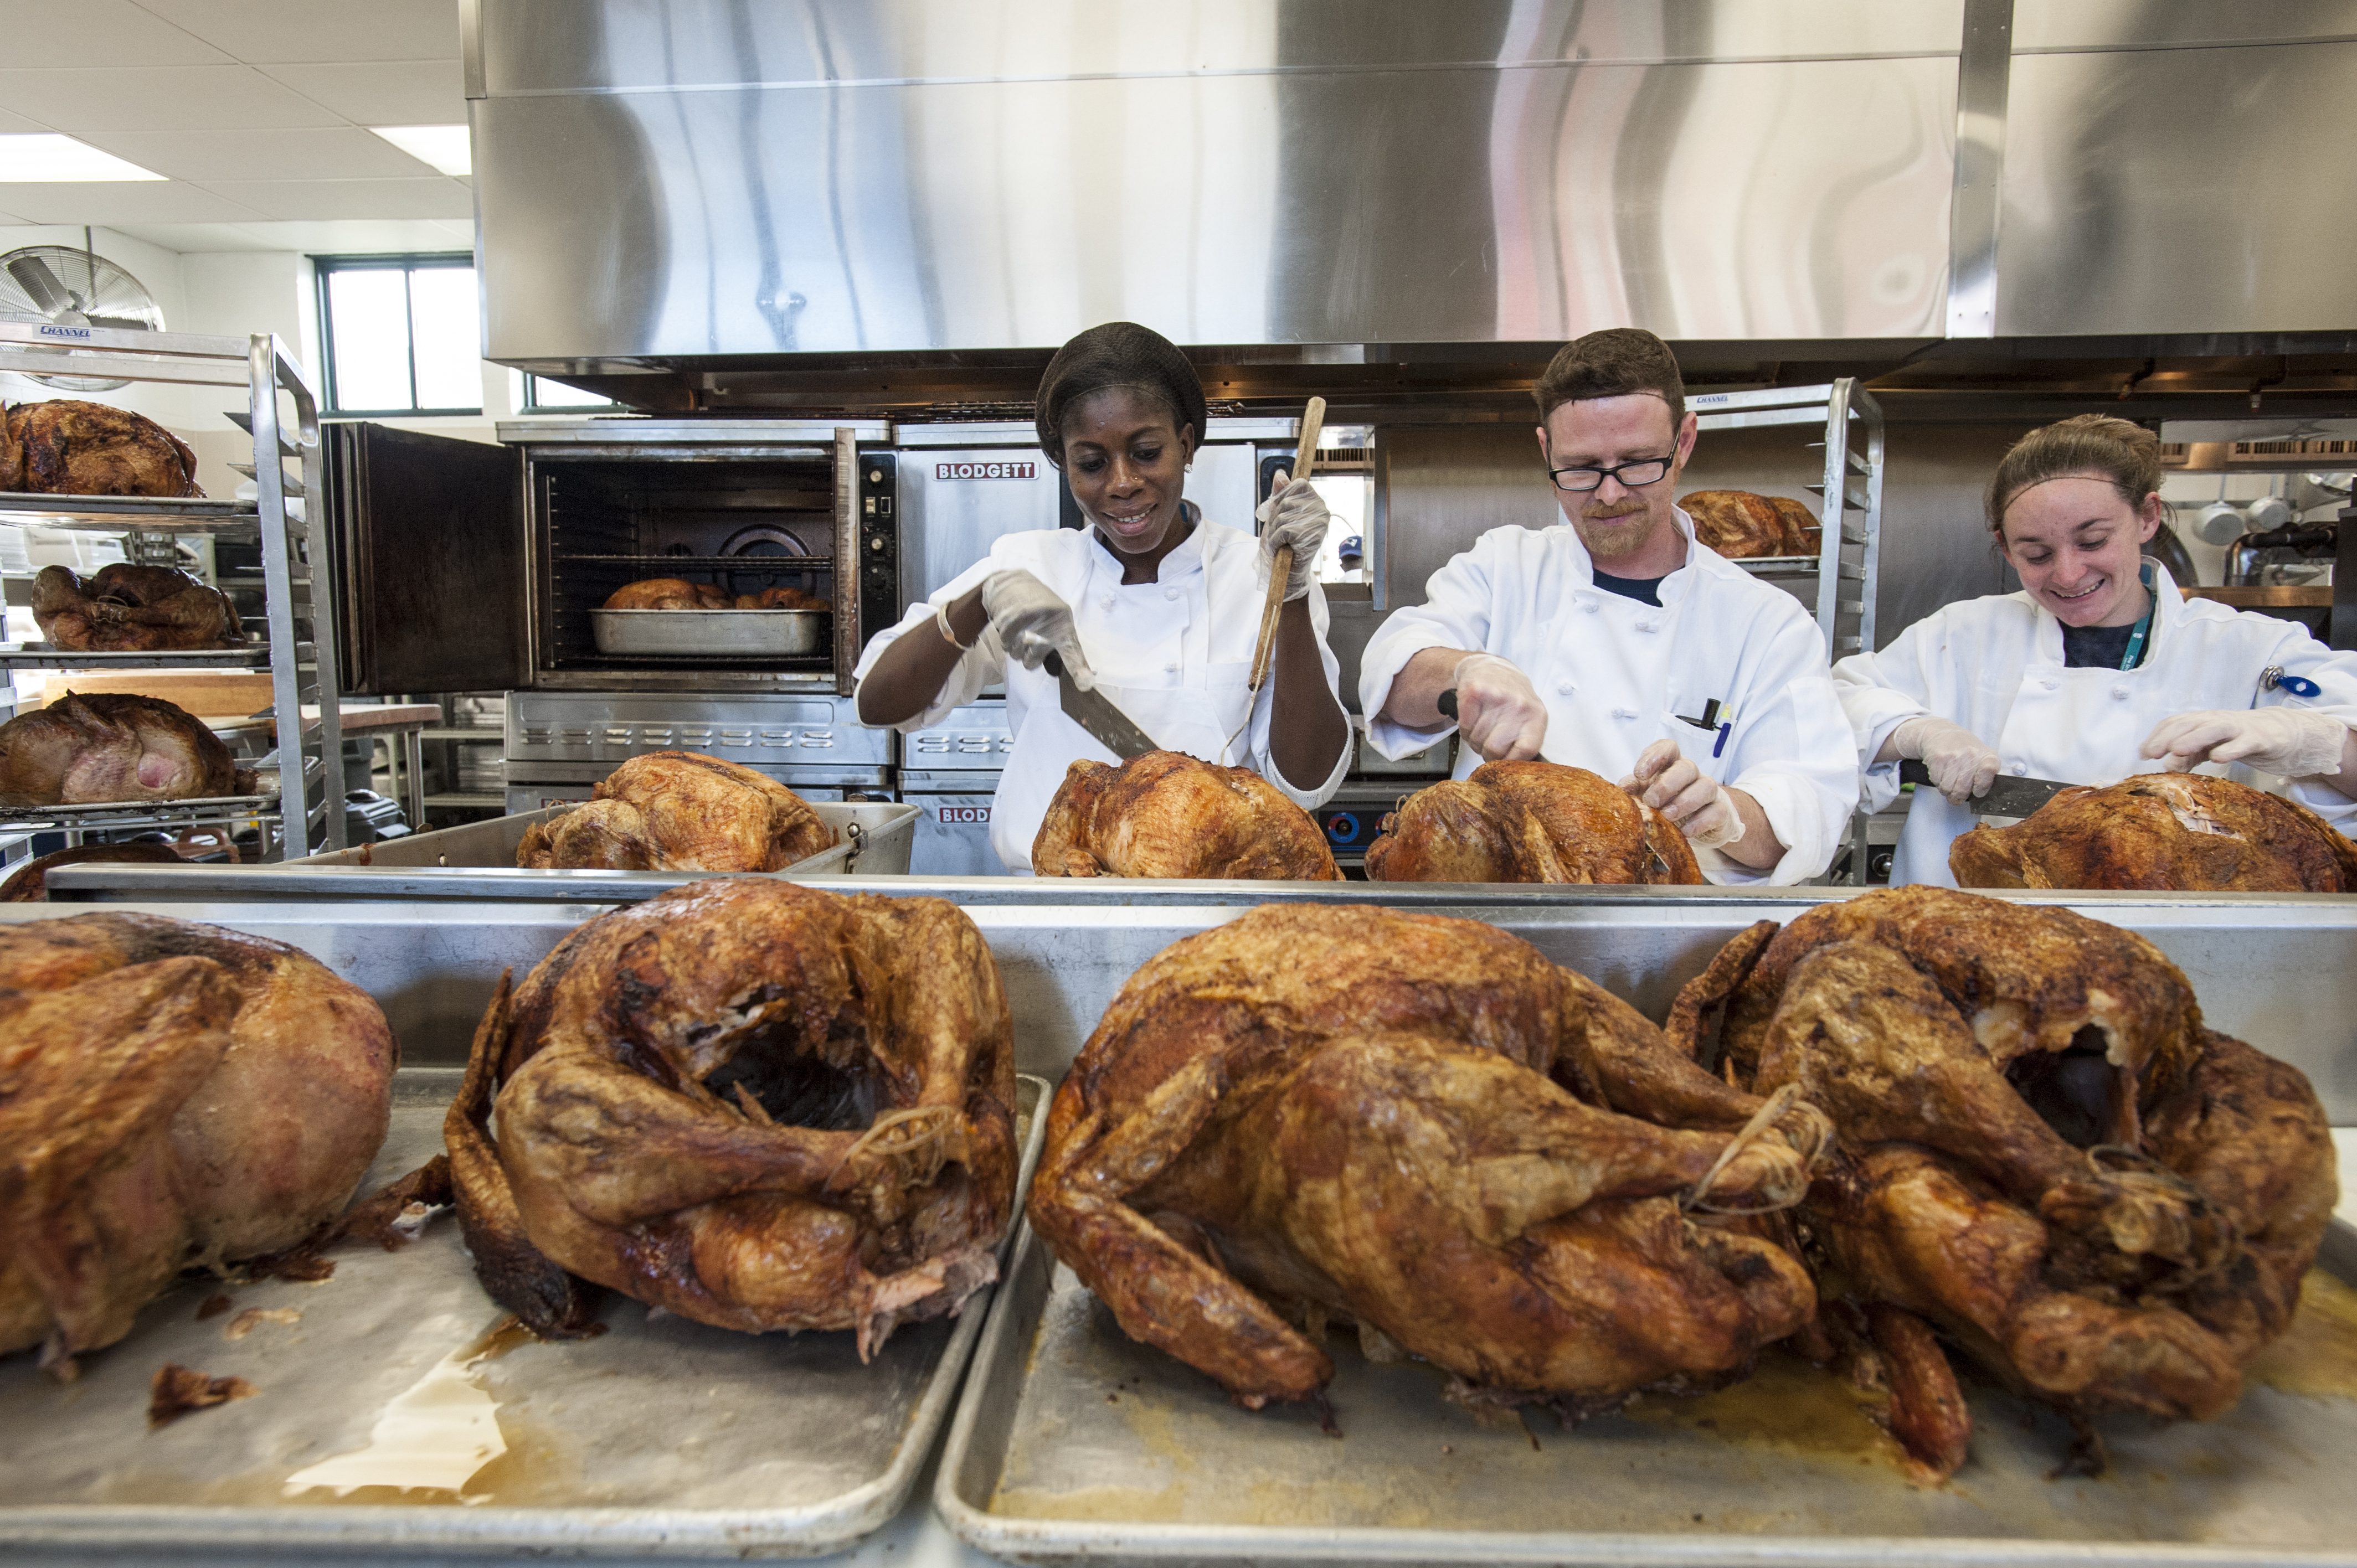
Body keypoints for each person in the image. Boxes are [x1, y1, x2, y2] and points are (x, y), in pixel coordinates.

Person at [1359, 328, 1856, 884]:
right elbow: (1393, 678)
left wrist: (1723, 816)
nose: (1609, 493)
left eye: (1638, 462)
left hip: (1675, 939)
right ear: (1546, 449)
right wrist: (1466, 671)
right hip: (1503, 924)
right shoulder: (1504, 567)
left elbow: (1807, 806)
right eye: (1580, 468)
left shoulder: (1767, 623)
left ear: (1684, 442)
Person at [853, 321, 1350, 872]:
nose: (1120, 483)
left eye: (1145, 452)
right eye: (1090, 464)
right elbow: (878, 705)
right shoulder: (1029, 566)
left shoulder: (1256, 576)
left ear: (1185, 443)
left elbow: (1308, 783)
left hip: (1217, 906)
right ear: (1065, 466)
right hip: (1054, 907)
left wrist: (1295, 594)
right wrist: (978, 602)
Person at [1835, 414, 2357, 888]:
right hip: (1969, 941)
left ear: (2148, 517)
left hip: (2184, 949)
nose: (2067, 574)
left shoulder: (2250, 646)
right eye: (2035, 554)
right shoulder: (1960, 635)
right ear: (2004, 547)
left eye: (2092, 542)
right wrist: (1916, 732)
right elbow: (1827, 716)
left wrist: (2307, 739)